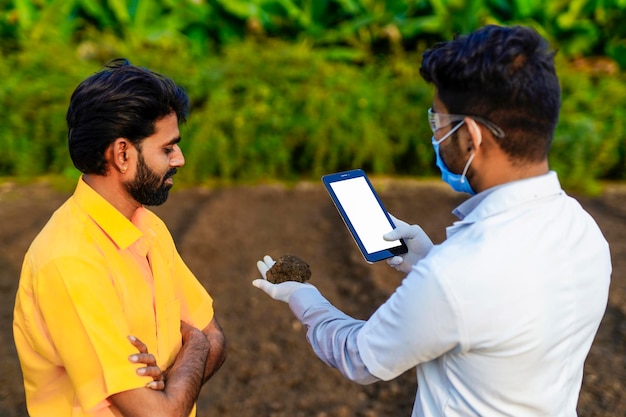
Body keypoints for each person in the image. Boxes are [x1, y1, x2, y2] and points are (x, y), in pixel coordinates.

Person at [252, 25, 611, 416]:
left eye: (438, 122)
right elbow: (506, 310)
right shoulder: (582, 229)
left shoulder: (457, 274)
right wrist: (425, 257)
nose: (436, 136)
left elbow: (360, 357)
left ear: (471, 135)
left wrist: (303, 298)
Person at [13, 59, 227, 417]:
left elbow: (215, 336)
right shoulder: (69, 260)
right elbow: (159, 413)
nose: (181, 159)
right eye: (167, 148)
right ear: (123, 154)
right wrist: (196, 347)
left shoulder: (150, 228)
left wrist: (177, 373)